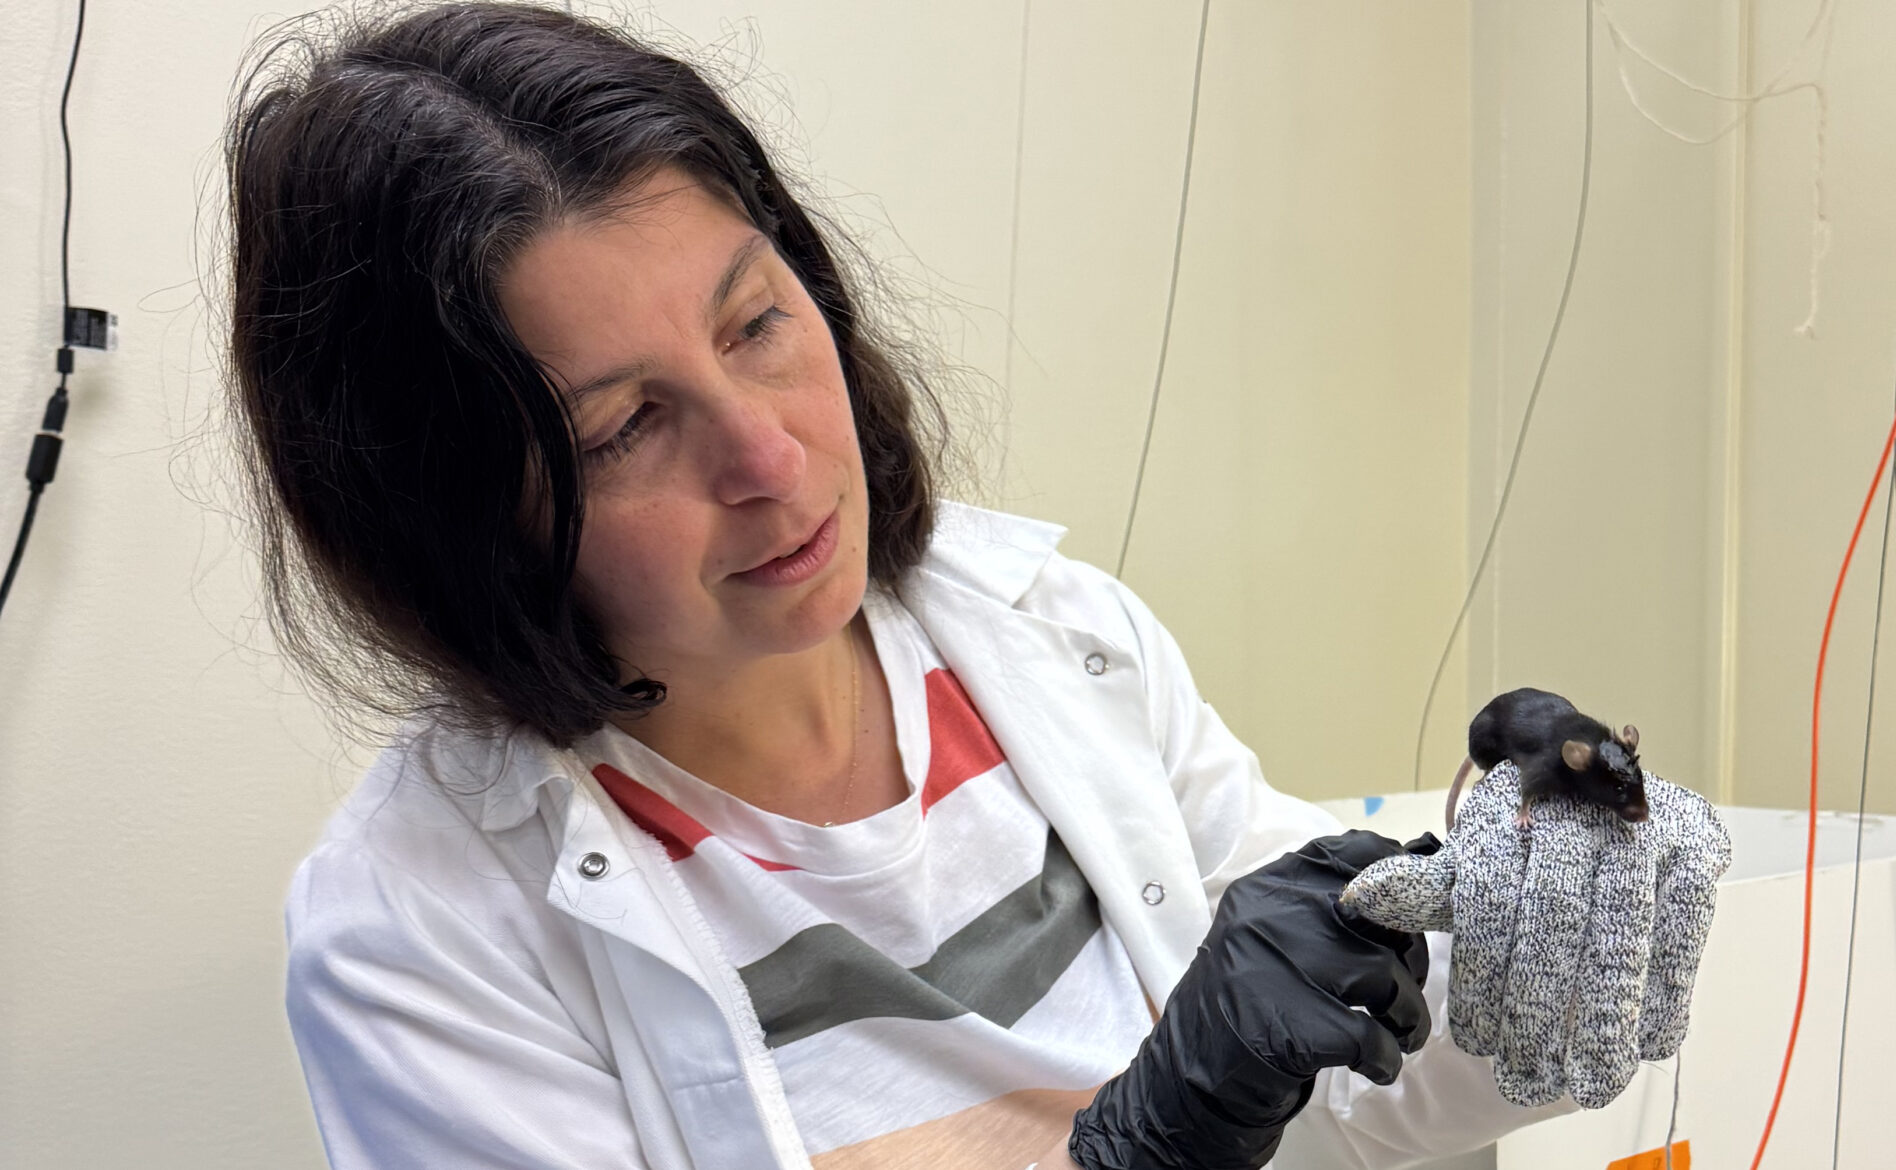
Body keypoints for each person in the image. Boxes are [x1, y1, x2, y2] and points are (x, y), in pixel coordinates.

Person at [229, 4, 1581, 1166]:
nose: (769, 451)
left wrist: (1556, 946)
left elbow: (1334, 1080)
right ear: (458, 523)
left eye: (757, 322)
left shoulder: (1063, 638)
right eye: (625, 427)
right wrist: (1140, 1142)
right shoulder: (416, 932)